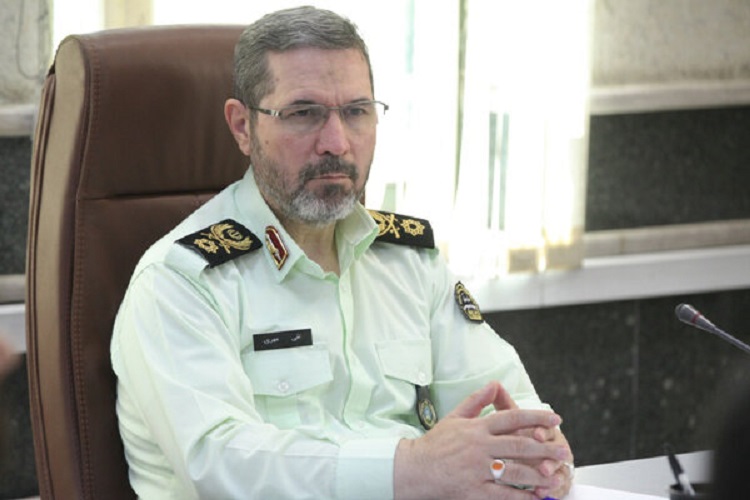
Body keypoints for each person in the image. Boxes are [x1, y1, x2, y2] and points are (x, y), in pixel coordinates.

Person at [111, 6, 573, 499]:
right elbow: (223, 467)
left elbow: (507, 402)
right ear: (243, 127)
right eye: (303, 113)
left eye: (356, 111)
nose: (336, 143)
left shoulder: (409, 263)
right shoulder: (179, 282)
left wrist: (535, 454)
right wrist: (411, 467)